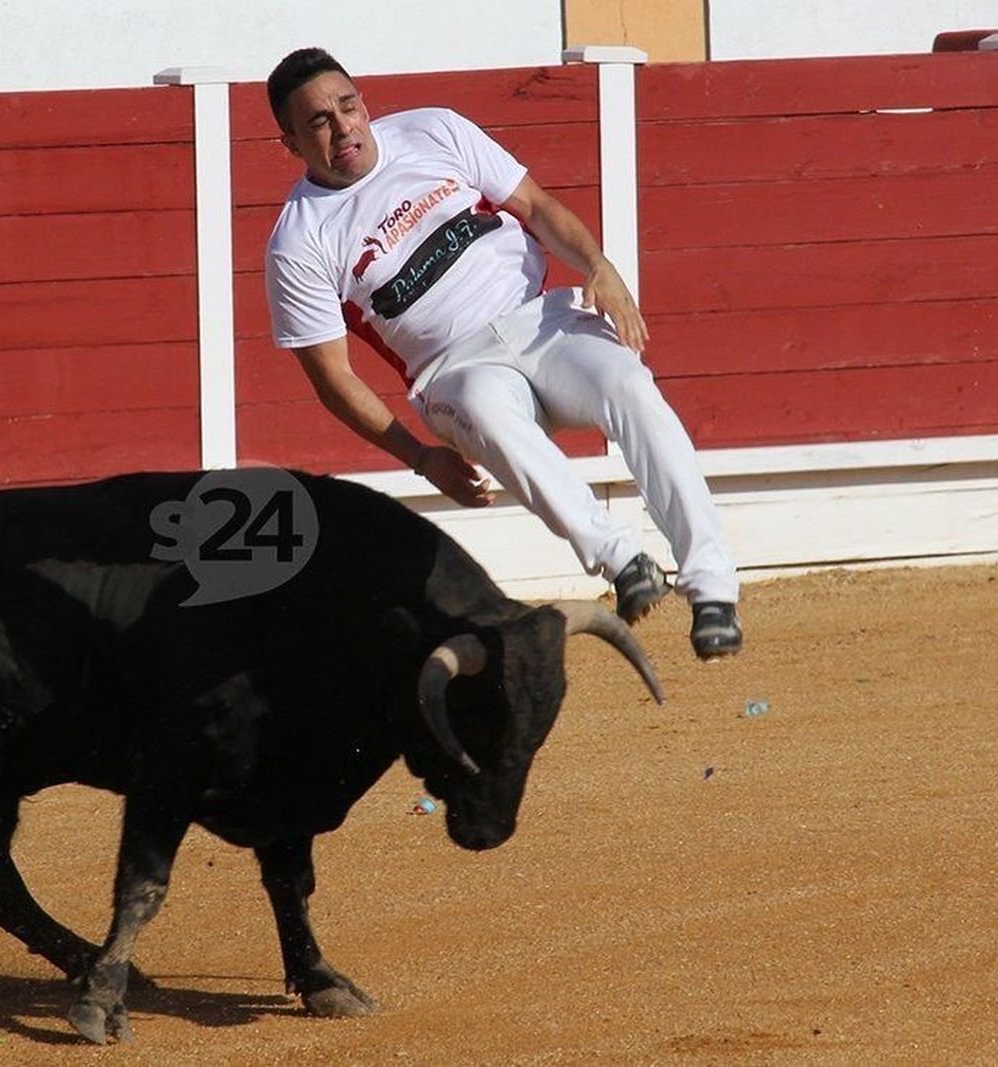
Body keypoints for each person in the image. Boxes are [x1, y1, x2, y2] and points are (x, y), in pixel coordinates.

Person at [262, 47, 742, 659]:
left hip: (543, 321)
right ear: (292, 143)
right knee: (486, 409)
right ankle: (623, 562)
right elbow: (332, 378)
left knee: (630, 385)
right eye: (318, 123)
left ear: (363, 101)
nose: (343, 128)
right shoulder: (298, 240)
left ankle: (713, 589)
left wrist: (600, 264)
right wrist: (419, 458)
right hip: (453, 370)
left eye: (347, 106)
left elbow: (536, 206)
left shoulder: (432, 129)